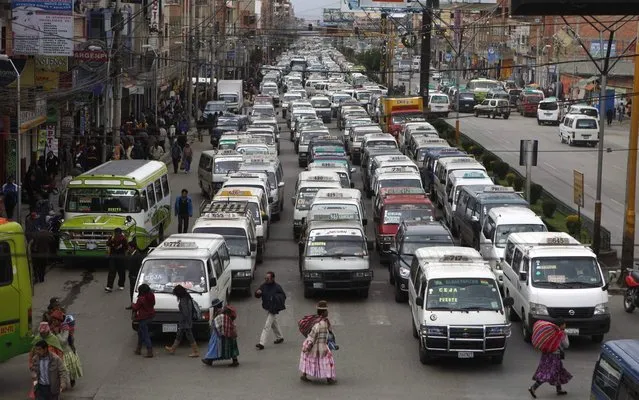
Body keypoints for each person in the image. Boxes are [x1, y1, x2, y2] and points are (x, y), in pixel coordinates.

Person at [529, 318, 572, 398]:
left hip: (546, 355)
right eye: (564, 324)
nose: (565, 325)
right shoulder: (561, 333)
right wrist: (565, 335)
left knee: (558, 371)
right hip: (554, 356)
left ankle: (559, 389)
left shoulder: (550, 332)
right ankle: (533, 387)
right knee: (548, 373)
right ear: (562, 325)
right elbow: (566, 345)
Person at [299, 300, 336, 384]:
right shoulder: (322, 324)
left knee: (308, 359)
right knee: (327, 362)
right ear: (323, 313)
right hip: (320, 346)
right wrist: (309, 345)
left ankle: (304, 375)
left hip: (315, 344)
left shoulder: (317, 320)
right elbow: (313, 335)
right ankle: (329, 379)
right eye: (326, 311)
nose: (328, 312)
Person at [164, 285, 200, 357]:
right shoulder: (187, 297)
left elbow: (185, 312)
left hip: (185, 321)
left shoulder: (183, 300)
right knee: (179, 335)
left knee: (189, 336)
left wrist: (182, 322)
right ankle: (173, 349)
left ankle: (196, 352)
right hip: (187, 320)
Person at [49, 310, 82, 388]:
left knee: (68, 369)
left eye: (55, 320)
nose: (53, 322)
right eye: (52, 320)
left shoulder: (65, 328)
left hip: (66, 352)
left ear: (59, 321)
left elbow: (63, 341)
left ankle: (71, 379)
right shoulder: (51, 328)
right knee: (59, 370)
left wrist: (57, 333)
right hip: (56, 352)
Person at [202, 299, 239, 367]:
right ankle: (235, 361)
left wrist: (219, 332)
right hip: (231, 331)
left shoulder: (219, 313)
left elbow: (217, 324)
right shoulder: (225, 311)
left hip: (223, 333)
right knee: (232, 347)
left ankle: (209, 360)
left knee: (214, 346)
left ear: (215, 307)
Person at [255, 271, 286, 350]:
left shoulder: (277, 287)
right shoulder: (263, 286)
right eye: (265, 278)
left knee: (267, 325)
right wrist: (257, 293)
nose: (266, 280)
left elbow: (283, 296)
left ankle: (262, 343)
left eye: (268, 278)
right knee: (273, 323)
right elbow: (257, 294)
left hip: (273, 309)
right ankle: (280, 337)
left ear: (272, 278)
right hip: (267, 307)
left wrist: (275, 299)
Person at [132, 283, 155, 358]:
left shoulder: (141, 298)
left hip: (143, 318)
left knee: (145, 334)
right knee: (140, 333)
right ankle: (138, 349)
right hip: (150, 316)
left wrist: (132, 305)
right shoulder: (151, 296)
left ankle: (149, 351)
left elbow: (136, 307)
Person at [105, 228, 128, 292]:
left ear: (120, 233)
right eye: (115, 233)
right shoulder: (112, 238)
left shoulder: (123, 239)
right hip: (113, 256)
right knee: (111, 271)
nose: (116, 235)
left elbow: (126, 247)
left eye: (117, 233)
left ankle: (121, 284)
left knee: (121, 271)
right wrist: (111, 240)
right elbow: (107, 244)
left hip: (121, 257)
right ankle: (109, 286)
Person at [126, 241, 145, 307]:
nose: (128, 248)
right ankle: (132, 304)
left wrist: (136, 275)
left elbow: (139, 266)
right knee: (132, 290)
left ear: (132, 248)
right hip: (131, 276)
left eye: (129, 247)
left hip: (135, 276)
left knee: (136, 291)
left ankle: (137, 304)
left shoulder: (138, 256)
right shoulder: (130, 254)